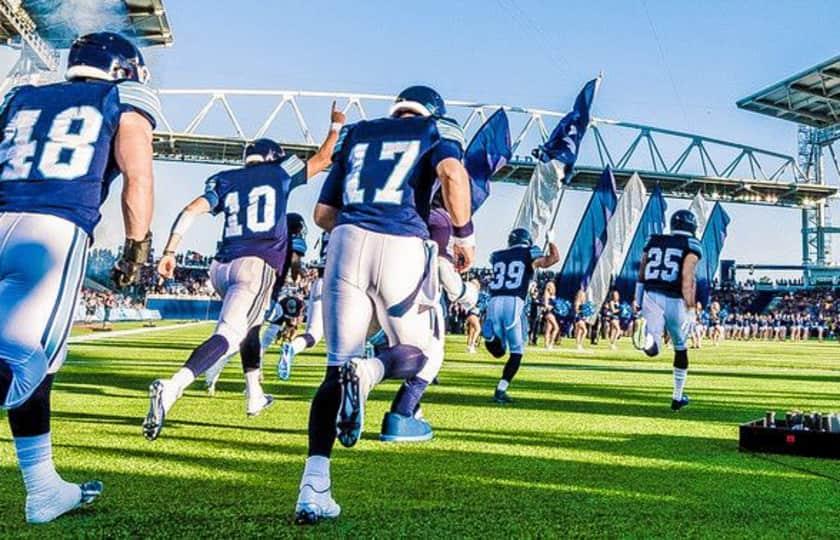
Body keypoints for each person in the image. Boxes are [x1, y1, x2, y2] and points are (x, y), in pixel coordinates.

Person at [294, 85, 474, 524]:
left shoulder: (357, 132)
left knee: (335, 368)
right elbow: (452, 175)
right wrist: (465, 234)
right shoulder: (434, 130)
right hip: (403, 244)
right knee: (419, 353)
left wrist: (360, 229)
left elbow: (322, 214)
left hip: (346, 240)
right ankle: (371, 372)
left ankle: (313, 488)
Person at [0, 32, 158, 522]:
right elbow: (138, 173)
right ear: (125, 69)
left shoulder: (20, 97)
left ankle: (43, 488)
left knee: (40, 368)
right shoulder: (120, 96)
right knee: (22, 364)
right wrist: (137, 246)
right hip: (52, 231)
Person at [144, 102, 344, 441]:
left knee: (251, 327)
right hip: (257, 264)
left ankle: (254, 395)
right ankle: (173, 386)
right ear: (272, 157)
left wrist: (169, 250)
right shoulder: (279, 171)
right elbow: (323, 158)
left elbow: (190, 210)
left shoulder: (225, 178)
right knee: (231, 333)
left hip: (221, 267)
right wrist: (336, 127)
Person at [634, 209, 703, 411]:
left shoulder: (654, 240)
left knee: (654, 343)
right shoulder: (691, 245)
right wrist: (690, 309)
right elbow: (687, 276)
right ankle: (677, 396)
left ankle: (650, 340)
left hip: (651, 293)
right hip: (675, 299)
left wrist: (637, 298)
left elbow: (642, 271)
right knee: (681, 346)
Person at [483, 228, 560, 403]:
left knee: (499, 351)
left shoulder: (497, 255)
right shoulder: (529, 251)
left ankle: (490, 338)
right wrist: (552, 241)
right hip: (514, 300)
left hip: (494, 301)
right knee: (516, 352)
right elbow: (552, 259)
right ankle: (501, 389)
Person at [278, 231, 330, 380]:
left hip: (319, 282)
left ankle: (293, 347)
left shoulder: (327, 231)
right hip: (340, 282)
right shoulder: (350, 224)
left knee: (313, 333)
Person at [542, 281, 560, 349]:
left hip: (552, 313)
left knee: (549, 329)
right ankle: (551, 343)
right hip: (549, 313)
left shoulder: (553, 295)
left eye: (552, 286)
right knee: (556, 328)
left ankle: (547, 344)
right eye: (550, 286)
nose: (552, 287)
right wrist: (552, 307)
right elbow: (546, 305)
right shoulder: (547, 294)